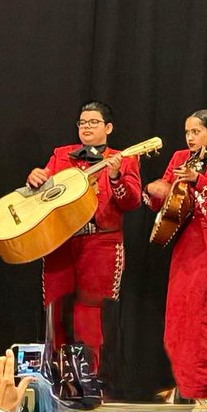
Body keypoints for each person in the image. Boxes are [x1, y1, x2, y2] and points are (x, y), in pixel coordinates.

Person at [25, 100, 141, 369]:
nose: (86, 127)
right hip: (61, 241)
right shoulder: (62, 155)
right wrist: (34, 180)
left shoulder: (124, 158)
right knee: (54, 308)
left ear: (108, 127)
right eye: (82, 122)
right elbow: (43, 192)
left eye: (93, 122)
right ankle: (57, 377)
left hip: (100, 240)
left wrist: (115, 177)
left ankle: (89, 378)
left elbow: (131, 201)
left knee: (89, 312)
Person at [145, 110, 207, 405]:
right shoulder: (179, 158)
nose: (190, 137)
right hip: (184, 244)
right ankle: (184, 386)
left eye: (196, 131)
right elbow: (165, 198)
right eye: (187, 132)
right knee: (179, 319)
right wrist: (155, 189)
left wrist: (199, 180)